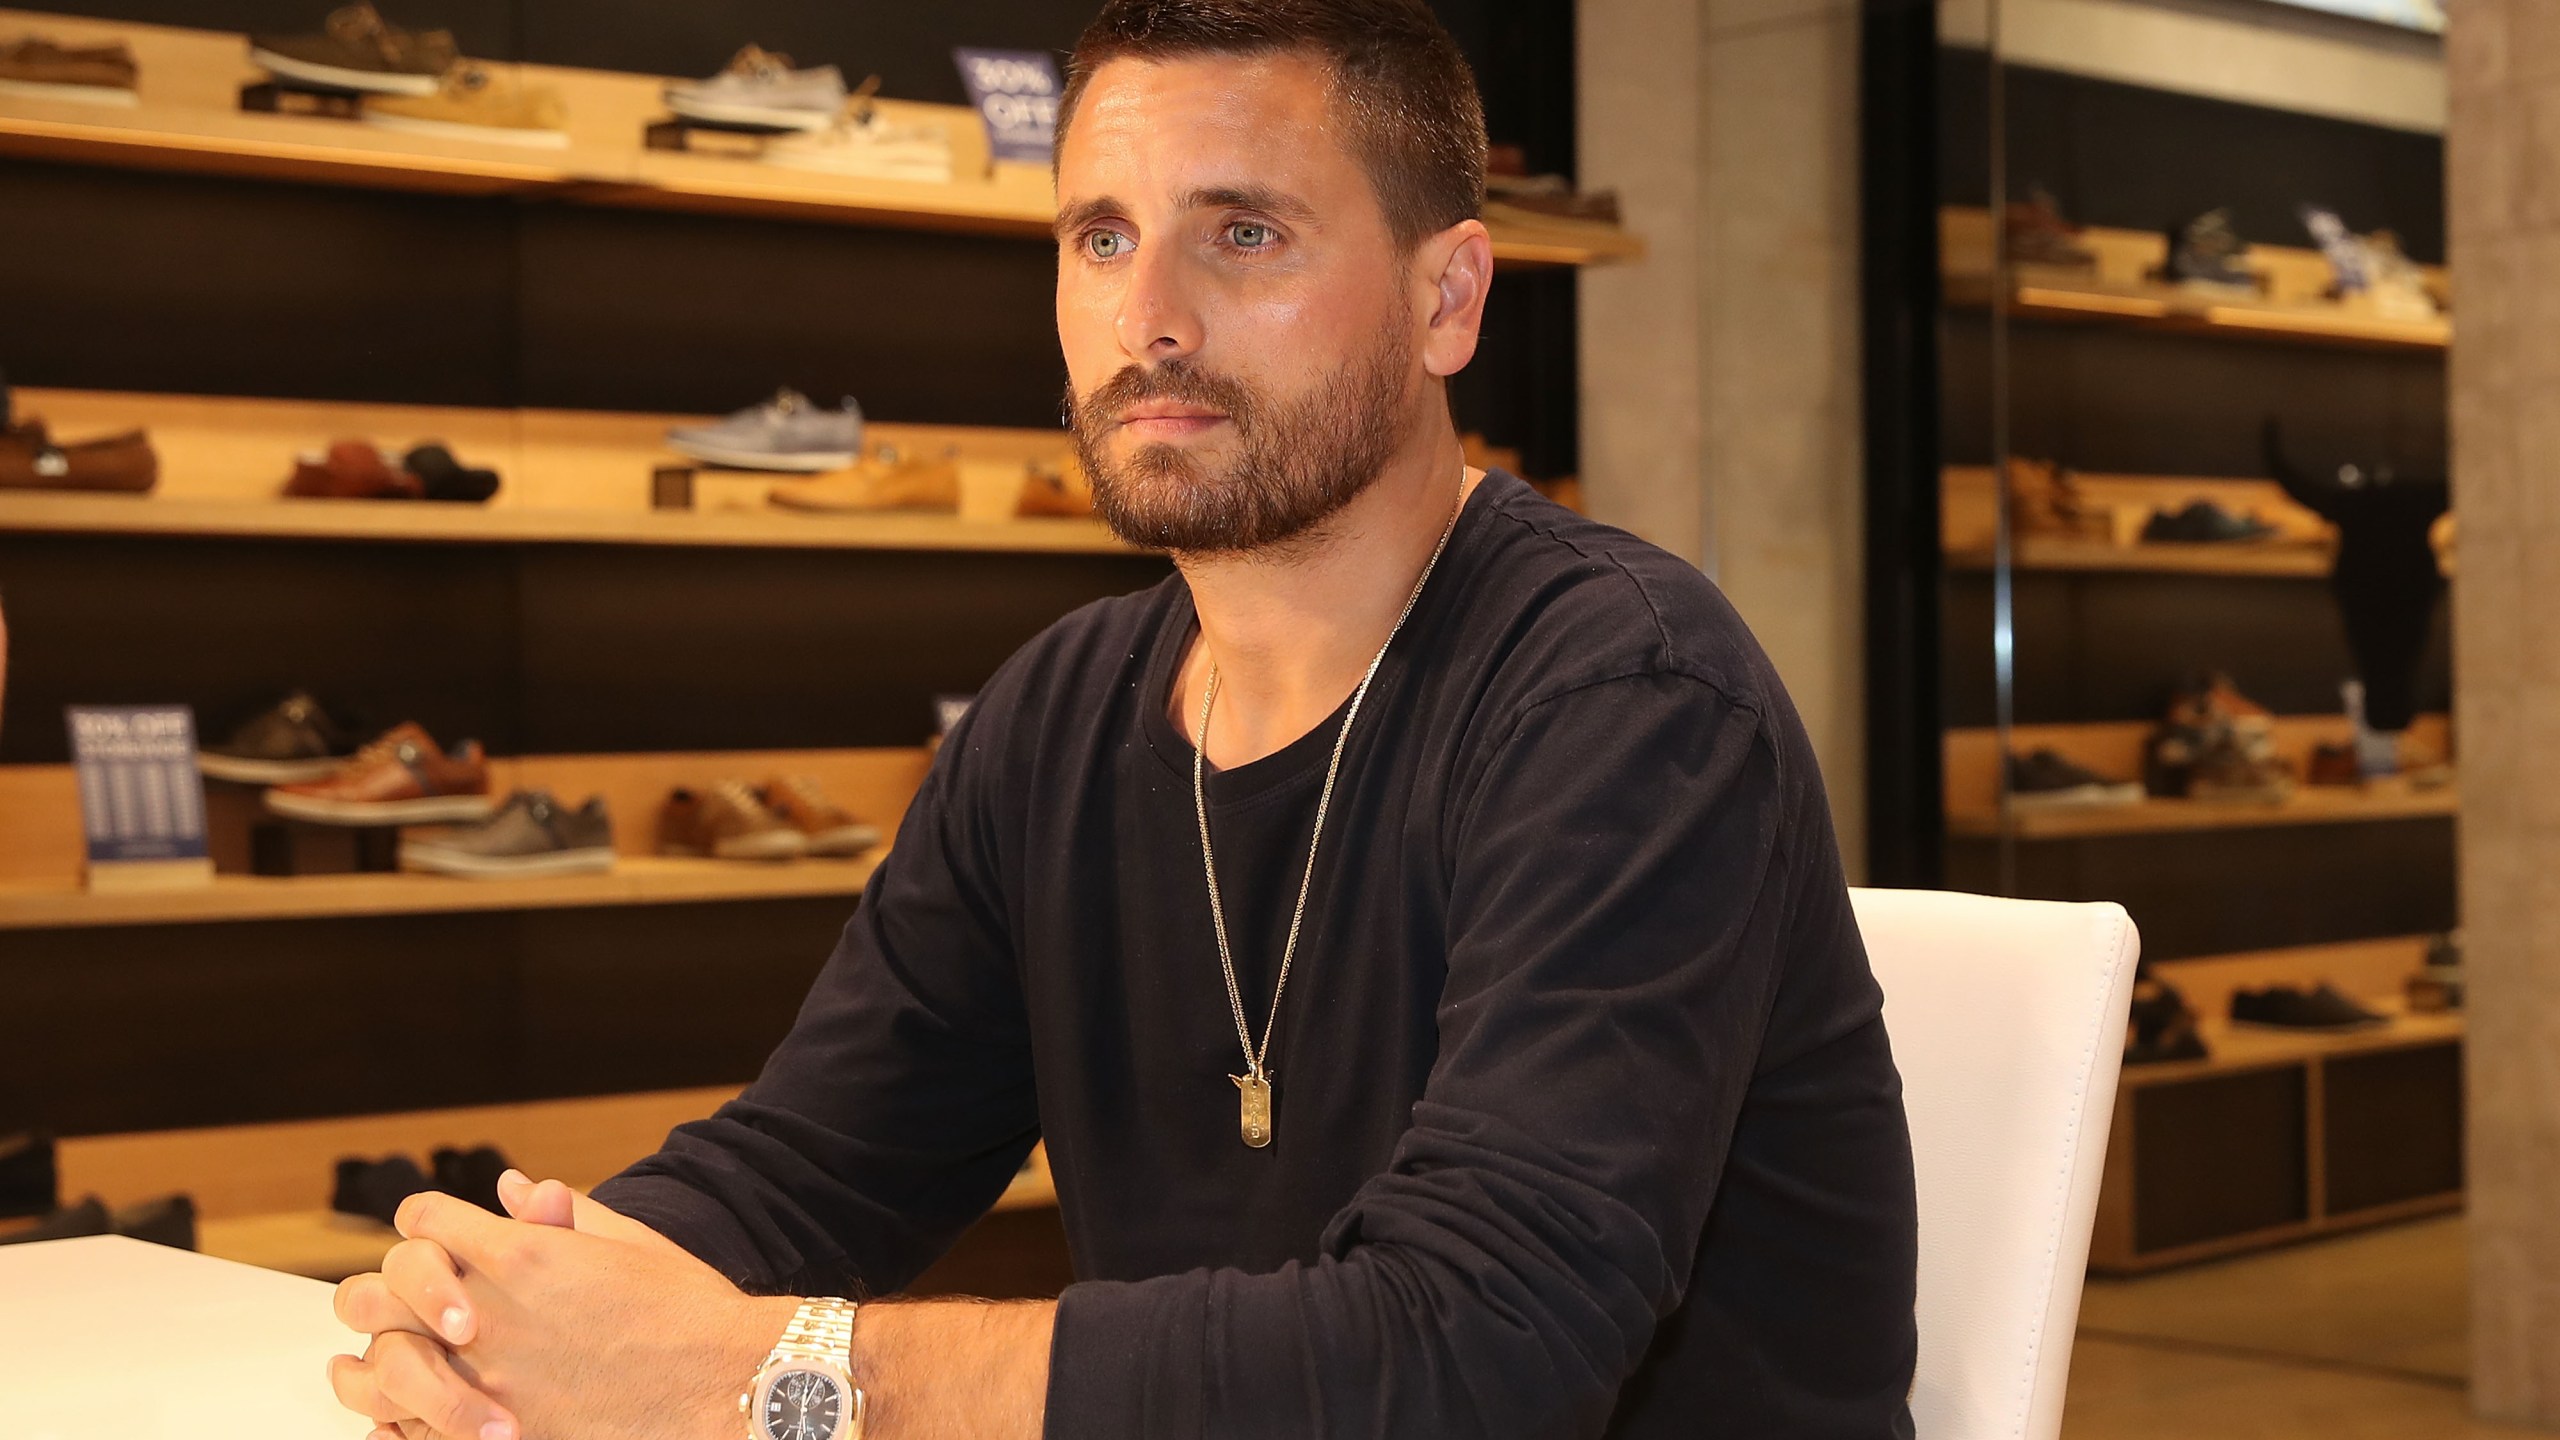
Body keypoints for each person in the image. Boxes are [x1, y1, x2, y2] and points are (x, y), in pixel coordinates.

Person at [328, 1, 1918, 1436]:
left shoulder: (1626, 699)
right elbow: (817, 1163)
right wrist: (509, 1307)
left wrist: (771, 1373)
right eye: (1100, 236)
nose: (1148, 315)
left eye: (1242, 234)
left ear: (1450, 299)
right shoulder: (1060, 714)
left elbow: (1477, 1355)